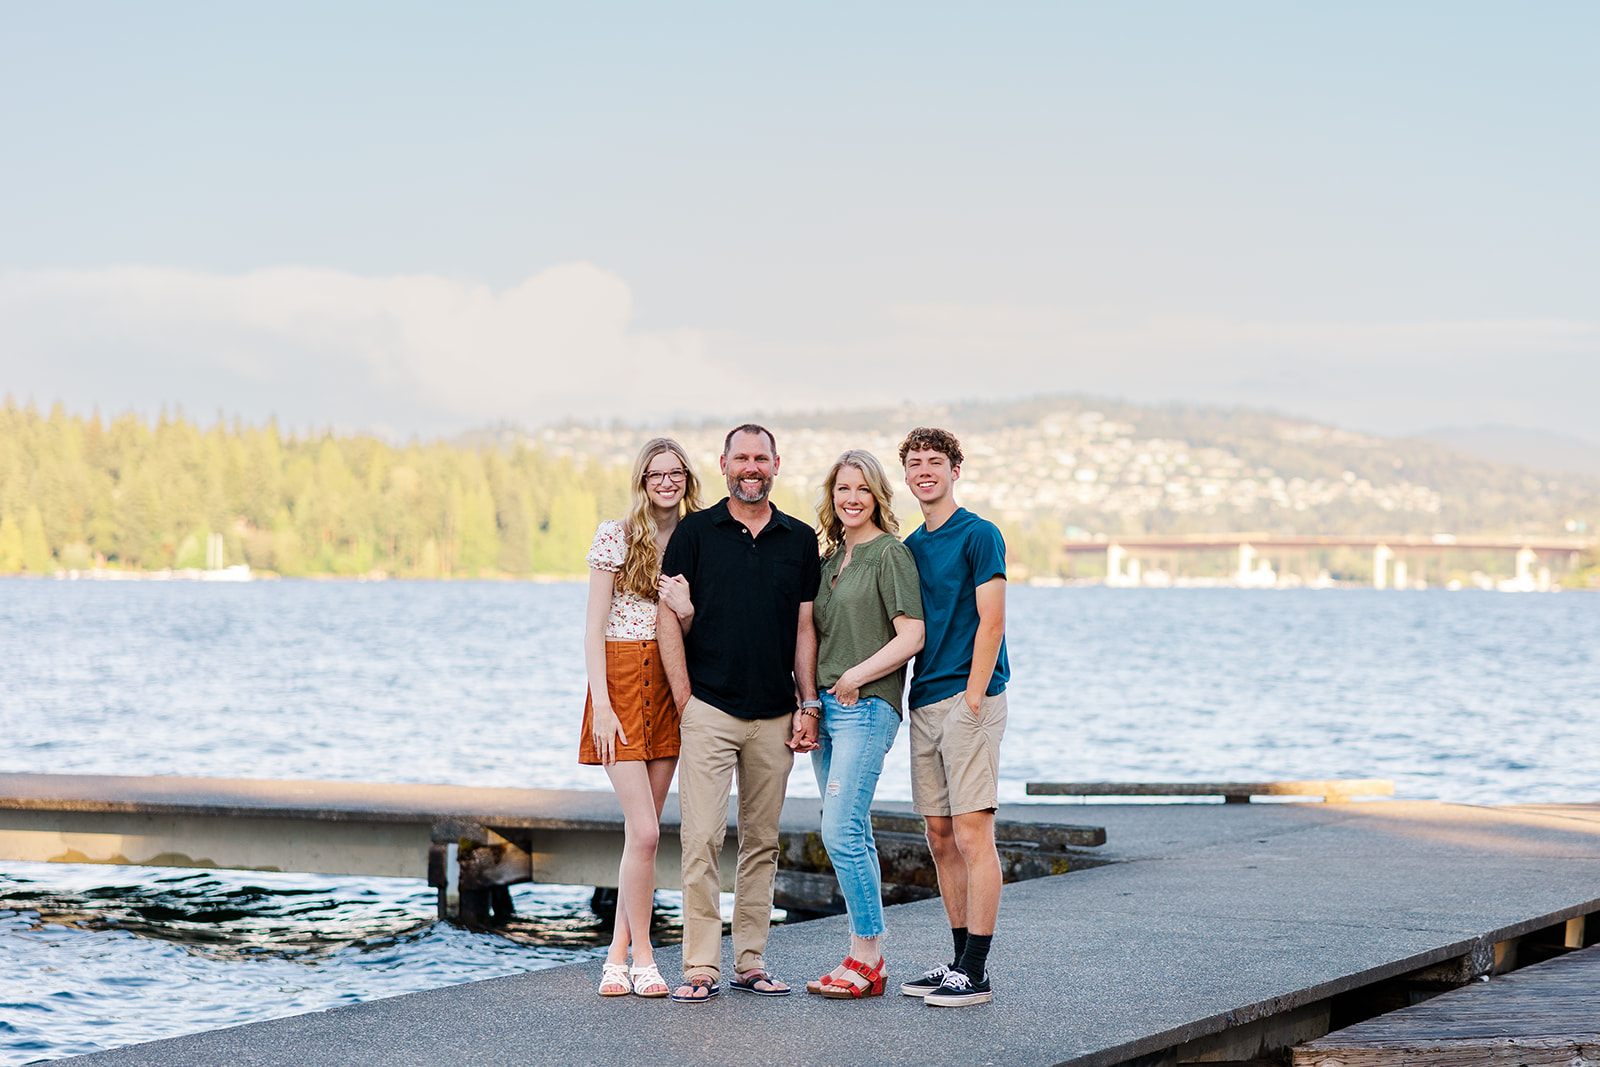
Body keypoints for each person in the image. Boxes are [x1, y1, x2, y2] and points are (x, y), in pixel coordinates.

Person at [656, 423, 822, 1003]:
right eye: (741, 457)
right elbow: (667, 623)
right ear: (723, 464)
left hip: (776, 716)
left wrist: (808, 705)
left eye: (760, 458)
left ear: (776, 463)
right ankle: (700, 965)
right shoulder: (695, 534)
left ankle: (751, 961)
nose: (751, 467)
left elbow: (805, 629)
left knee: (762, 843)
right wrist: (685, 702)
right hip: (709, 709)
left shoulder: (800, 541)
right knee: (700, 839)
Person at [580, 437, 703, 999]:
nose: (666, 483)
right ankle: (645, 957)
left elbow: (702, 628)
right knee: (648, 830)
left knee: (643, 837)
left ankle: (615, 956)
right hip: (622, 686)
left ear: (687, 479)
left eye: (675, 473)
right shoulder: (616, 535)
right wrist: (601, 704)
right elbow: (593, 627)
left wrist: (686, 609)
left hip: (671, 685)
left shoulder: (699, 537)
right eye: (656, 474)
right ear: (642, 479)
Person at [895, 427, 1010, 1008]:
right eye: (914, 463)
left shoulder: (979, 534)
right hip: (924, 701)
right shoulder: (912, 546)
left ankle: (978, 972)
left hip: (971, 700)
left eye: (934, 461)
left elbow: (992, 621)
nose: (924, 471)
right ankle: (958, 959)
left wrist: (972, 698)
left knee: (971, 833)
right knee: (939, 836)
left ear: (954, 470)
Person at [805, 450, 924, 1000]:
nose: (850, 498)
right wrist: (808, 703)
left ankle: (868, 958)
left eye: (861, 489)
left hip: (866, 706)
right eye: (841, 489)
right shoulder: (830, 560)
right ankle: (860, 954)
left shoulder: (890, 555)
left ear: (878, 495)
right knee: (853, 830)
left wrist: (855, 676)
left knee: (839, 831)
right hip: (826, 711)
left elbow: (911, 636)